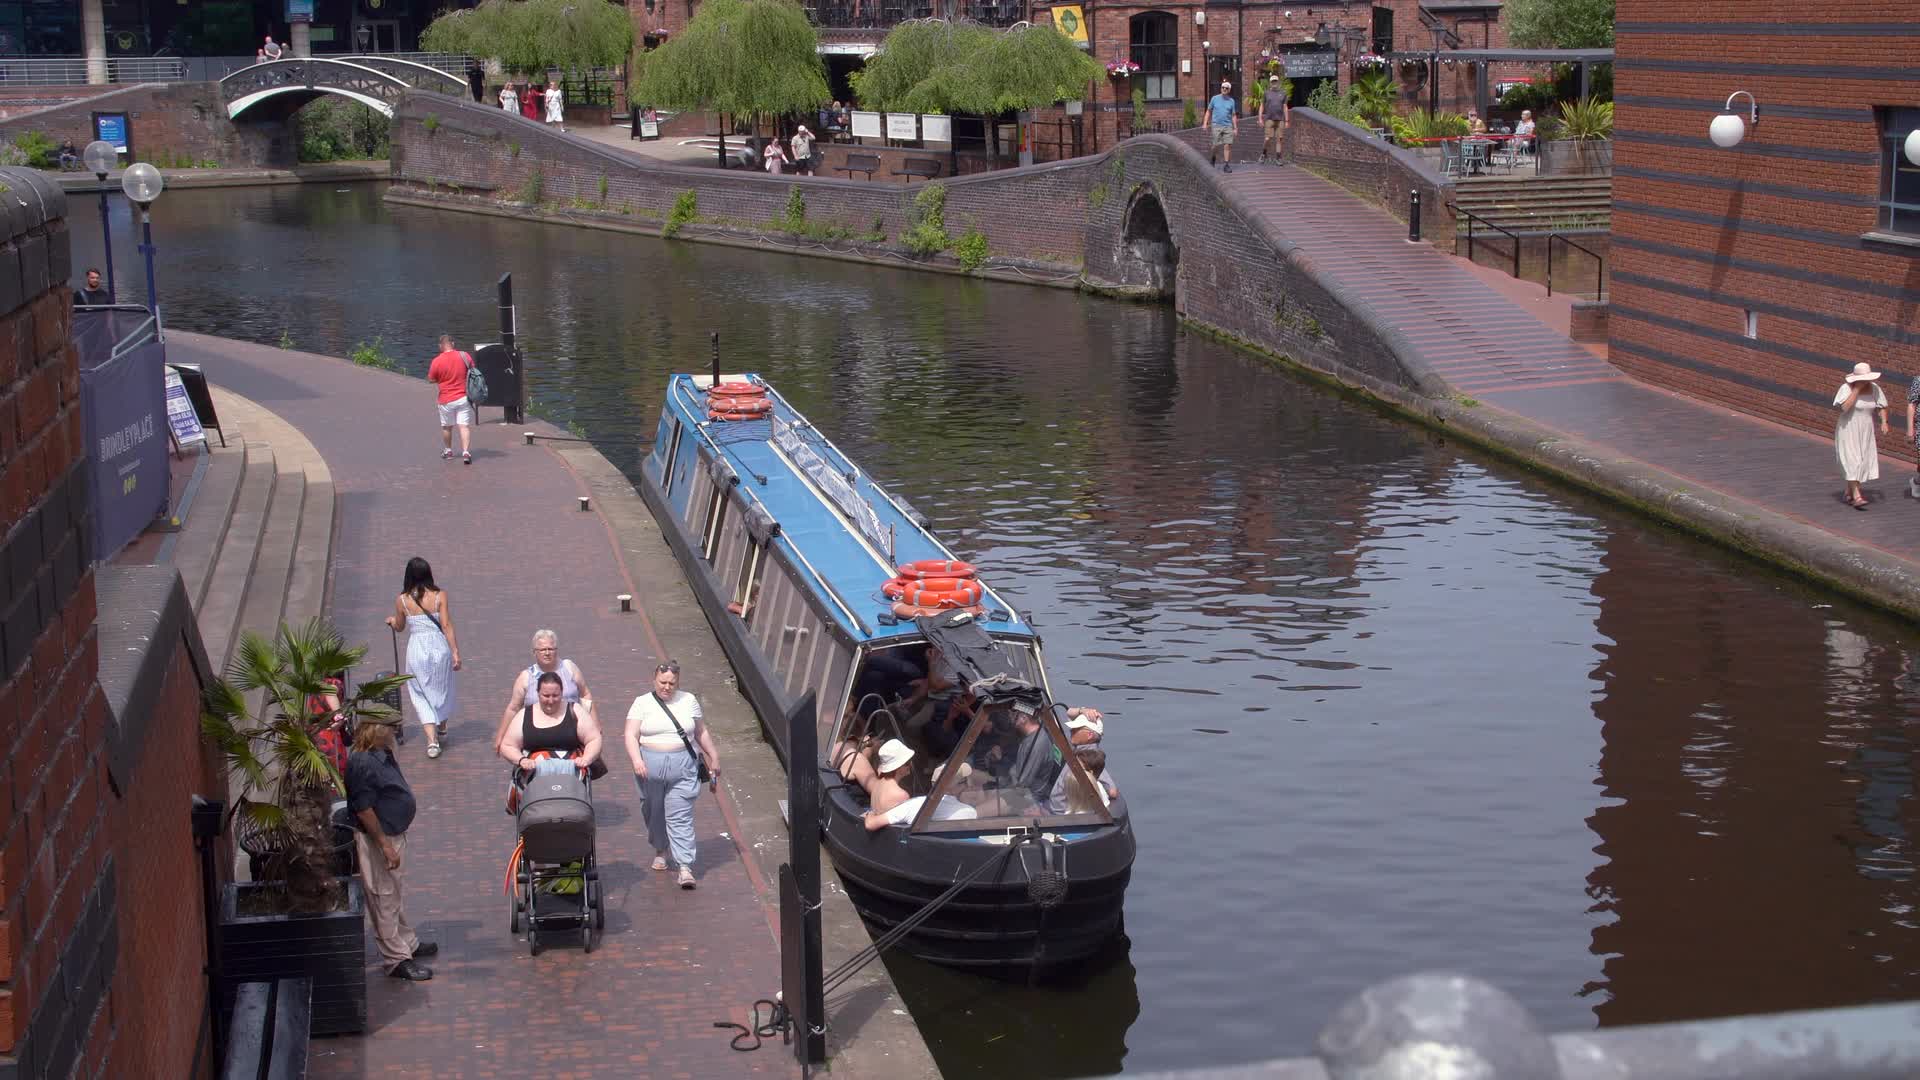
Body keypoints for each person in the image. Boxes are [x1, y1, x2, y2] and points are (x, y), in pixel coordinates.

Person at [345, 713, 435, 981]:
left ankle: (407, 942)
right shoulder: (361, 763)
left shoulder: (382, 753)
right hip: (379, 838)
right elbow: (364, 809)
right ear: (375, 729)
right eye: (390, 728)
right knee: (383, 895)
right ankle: (396, 959)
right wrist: (384, 845)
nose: (396, 731)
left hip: (394, 833)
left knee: (393, 891)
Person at [624, 662, 721, 889]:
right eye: (663, 682)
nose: (667, 687)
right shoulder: (642, 702)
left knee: (680, 816)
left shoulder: (688, 701)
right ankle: (660, 848)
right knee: (653, 810)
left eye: (672, 683)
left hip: (683, 767)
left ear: (678, 682)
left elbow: (700, 731)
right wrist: (637, 759)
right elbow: (630, 734)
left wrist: (714, 756)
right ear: (654, 679)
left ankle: (685, 867)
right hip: (649, 767)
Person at [384, 557, 460, 758]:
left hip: (417, 648)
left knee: (420, 693)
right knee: (442, 687)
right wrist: (455, 652)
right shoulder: (439, 595)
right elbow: (446, 625)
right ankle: (441, 725)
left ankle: (432, 741)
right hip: (439, 647)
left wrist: (392, 621)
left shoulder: (402, 600)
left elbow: (399, 627)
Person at [494, 629, 594, 755]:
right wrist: (501, 736)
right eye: (542, 650)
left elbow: (585, 694)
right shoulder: (526, 677)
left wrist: (595, 725)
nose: (547, 653)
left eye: (551, 649)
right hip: (537, 737)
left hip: (571, 733)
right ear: (534, 652)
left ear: (556, 650)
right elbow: (513, 708)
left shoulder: (569, 668)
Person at [500, 671, 604, 775]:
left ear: (562, 693)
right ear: (538, 693)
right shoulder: (524, 715)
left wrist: (586, 758)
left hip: (571, 780)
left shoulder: (575, 711)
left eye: (555, 695)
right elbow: (507, 745)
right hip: (532, 781)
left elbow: (594, 739)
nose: (551, 701)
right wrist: (521, 760)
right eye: (546, 695)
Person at [1835, 362, 1888, 510]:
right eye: (1863, 379)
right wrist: (1856, 390)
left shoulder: (1875, 388)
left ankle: (1849, 491)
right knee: (1853, 460)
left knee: (1862, 460)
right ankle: (1857, 496)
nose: (1866, 382)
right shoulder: (1846, 388)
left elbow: (1882, 405)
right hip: (1848, 428)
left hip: (1866, 429)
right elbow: (1844, 408)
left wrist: (1884, 422)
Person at [426, 334, 475, 464]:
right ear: (452, 344)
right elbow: (473, 370)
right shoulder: (464, 356)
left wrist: (441, 379)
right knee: (464, 426)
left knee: (447, 427)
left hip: (446, 399)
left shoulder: (437, 361)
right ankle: (466, 452)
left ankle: (448, 451)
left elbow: (431, 379)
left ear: (440, 346)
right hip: (463, 397)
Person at [1208, 80, 1239, 173]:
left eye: (1226, 88)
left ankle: (1226, 165)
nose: (1224, 89)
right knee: (1215, 145)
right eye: (1223, 88)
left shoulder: (1231, 101)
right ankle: (1213, 158)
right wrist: (1205, 123)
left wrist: (1235, 128)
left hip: (1227, 125)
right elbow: (1209, 111)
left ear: (1229, 90)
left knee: (1227, 145)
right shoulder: (1214, 99)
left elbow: (1233, 115)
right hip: (1216, 125)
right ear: (1221, 88)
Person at [1257, 76, 1288, 165]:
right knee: (1267, 138)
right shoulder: (1266, 93)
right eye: (1272, 81)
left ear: (1278, 82)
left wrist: (1287, 120)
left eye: (1275, 81)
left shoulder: (1283, 93)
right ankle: (1263, 154)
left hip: (1280, 119)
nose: (1274, 83)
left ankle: (1278, 158)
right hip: (1269, 119)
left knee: (1279, 139)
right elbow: (1262, 105)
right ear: (1270, 82)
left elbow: (1285, 107)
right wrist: (1260, 118)